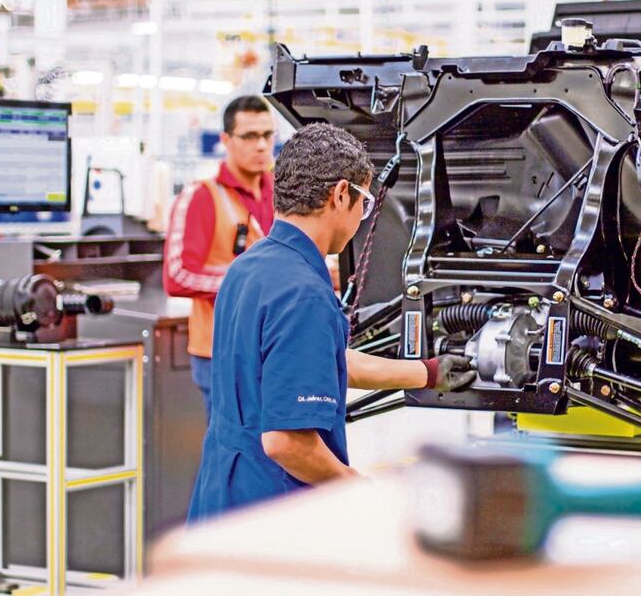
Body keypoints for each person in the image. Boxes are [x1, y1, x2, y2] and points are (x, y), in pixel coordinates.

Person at [187, 123, 473, 522]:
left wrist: (428, 373)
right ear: (341, 194)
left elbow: (321, 361)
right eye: (364, 203)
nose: (362, 217)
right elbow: (287, 443)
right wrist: (364, 492)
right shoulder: (303, 293)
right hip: (275, 513)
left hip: (222, 499)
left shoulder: (249, 267)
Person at [163, 95, 276, 424]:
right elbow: (177, 275)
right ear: (226, 140)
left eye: (267, 135)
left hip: (273, 349)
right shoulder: (202, 197)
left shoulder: (282, 195)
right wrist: (250, 281)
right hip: (222, 354)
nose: (261, 145)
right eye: (249, 136)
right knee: (232, 450)